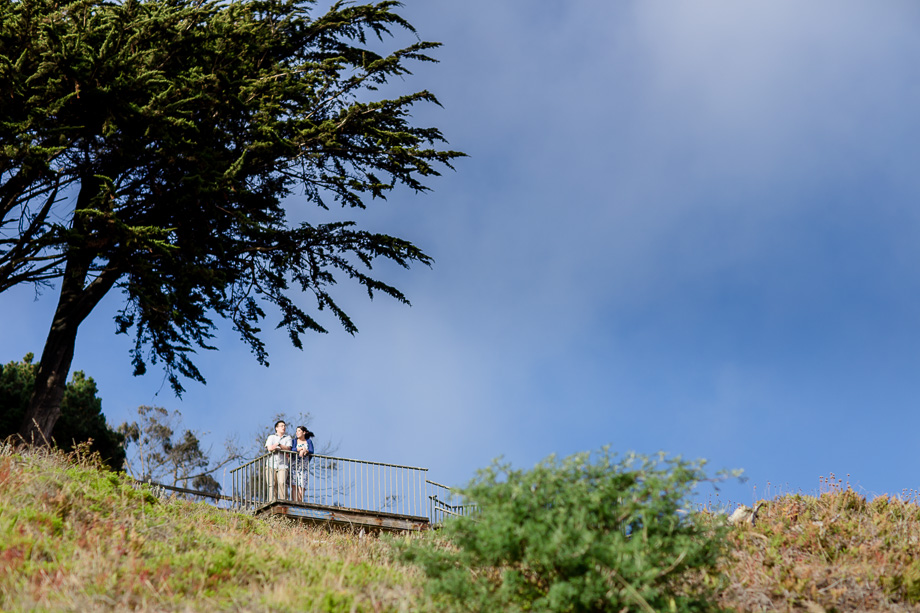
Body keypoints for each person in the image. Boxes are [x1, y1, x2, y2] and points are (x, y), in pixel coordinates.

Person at [264, 420, 292, 500]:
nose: (284, 427)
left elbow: (288, 448)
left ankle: (284, 501)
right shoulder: (271, 437)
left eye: (284, 426)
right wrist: (275, 447)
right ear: (276, 428)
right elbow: (269, 448)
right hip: (270, 464)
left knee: (282, 483)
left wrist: (278, 445)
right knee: (271, 484)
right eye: (281, 426)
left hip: (283, 464)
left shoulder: (287, 438)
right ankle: (272, 501)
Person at [292, 426, 314, 502]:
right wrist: (299, 449)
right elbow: (291, 449)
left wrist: (305, 450)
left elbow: (311, 451)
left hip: (304, 466)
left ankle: (299, 501)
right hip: (294, 466)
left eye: (299, 431)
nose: (297, 433)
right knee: (294, 485)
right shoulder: (294, 441)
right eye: (296, 431)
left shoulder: (308, 441)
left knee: (302, 485)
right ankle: (294, 501)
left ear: (304, 432)